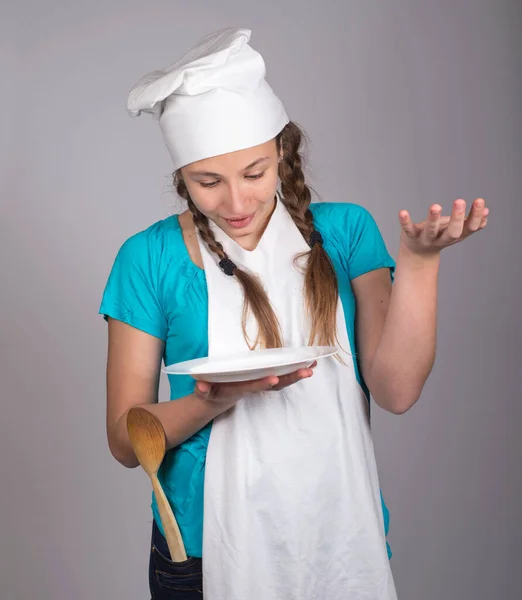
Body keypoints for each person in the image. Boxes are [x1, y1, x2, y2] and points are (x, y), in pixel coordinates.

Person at [99, 28, 489, 600]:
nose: (236, 204)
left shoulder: (345, 232)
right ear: (181, 177)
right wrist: (216, 398)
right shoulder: (147, 259)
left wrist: (421, 261)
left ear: (282, 152)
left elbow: (397, 390)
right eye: (208, 182)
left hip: (339, 530)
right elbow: (124, 441)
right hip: (203, 551)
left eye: (255, 174)